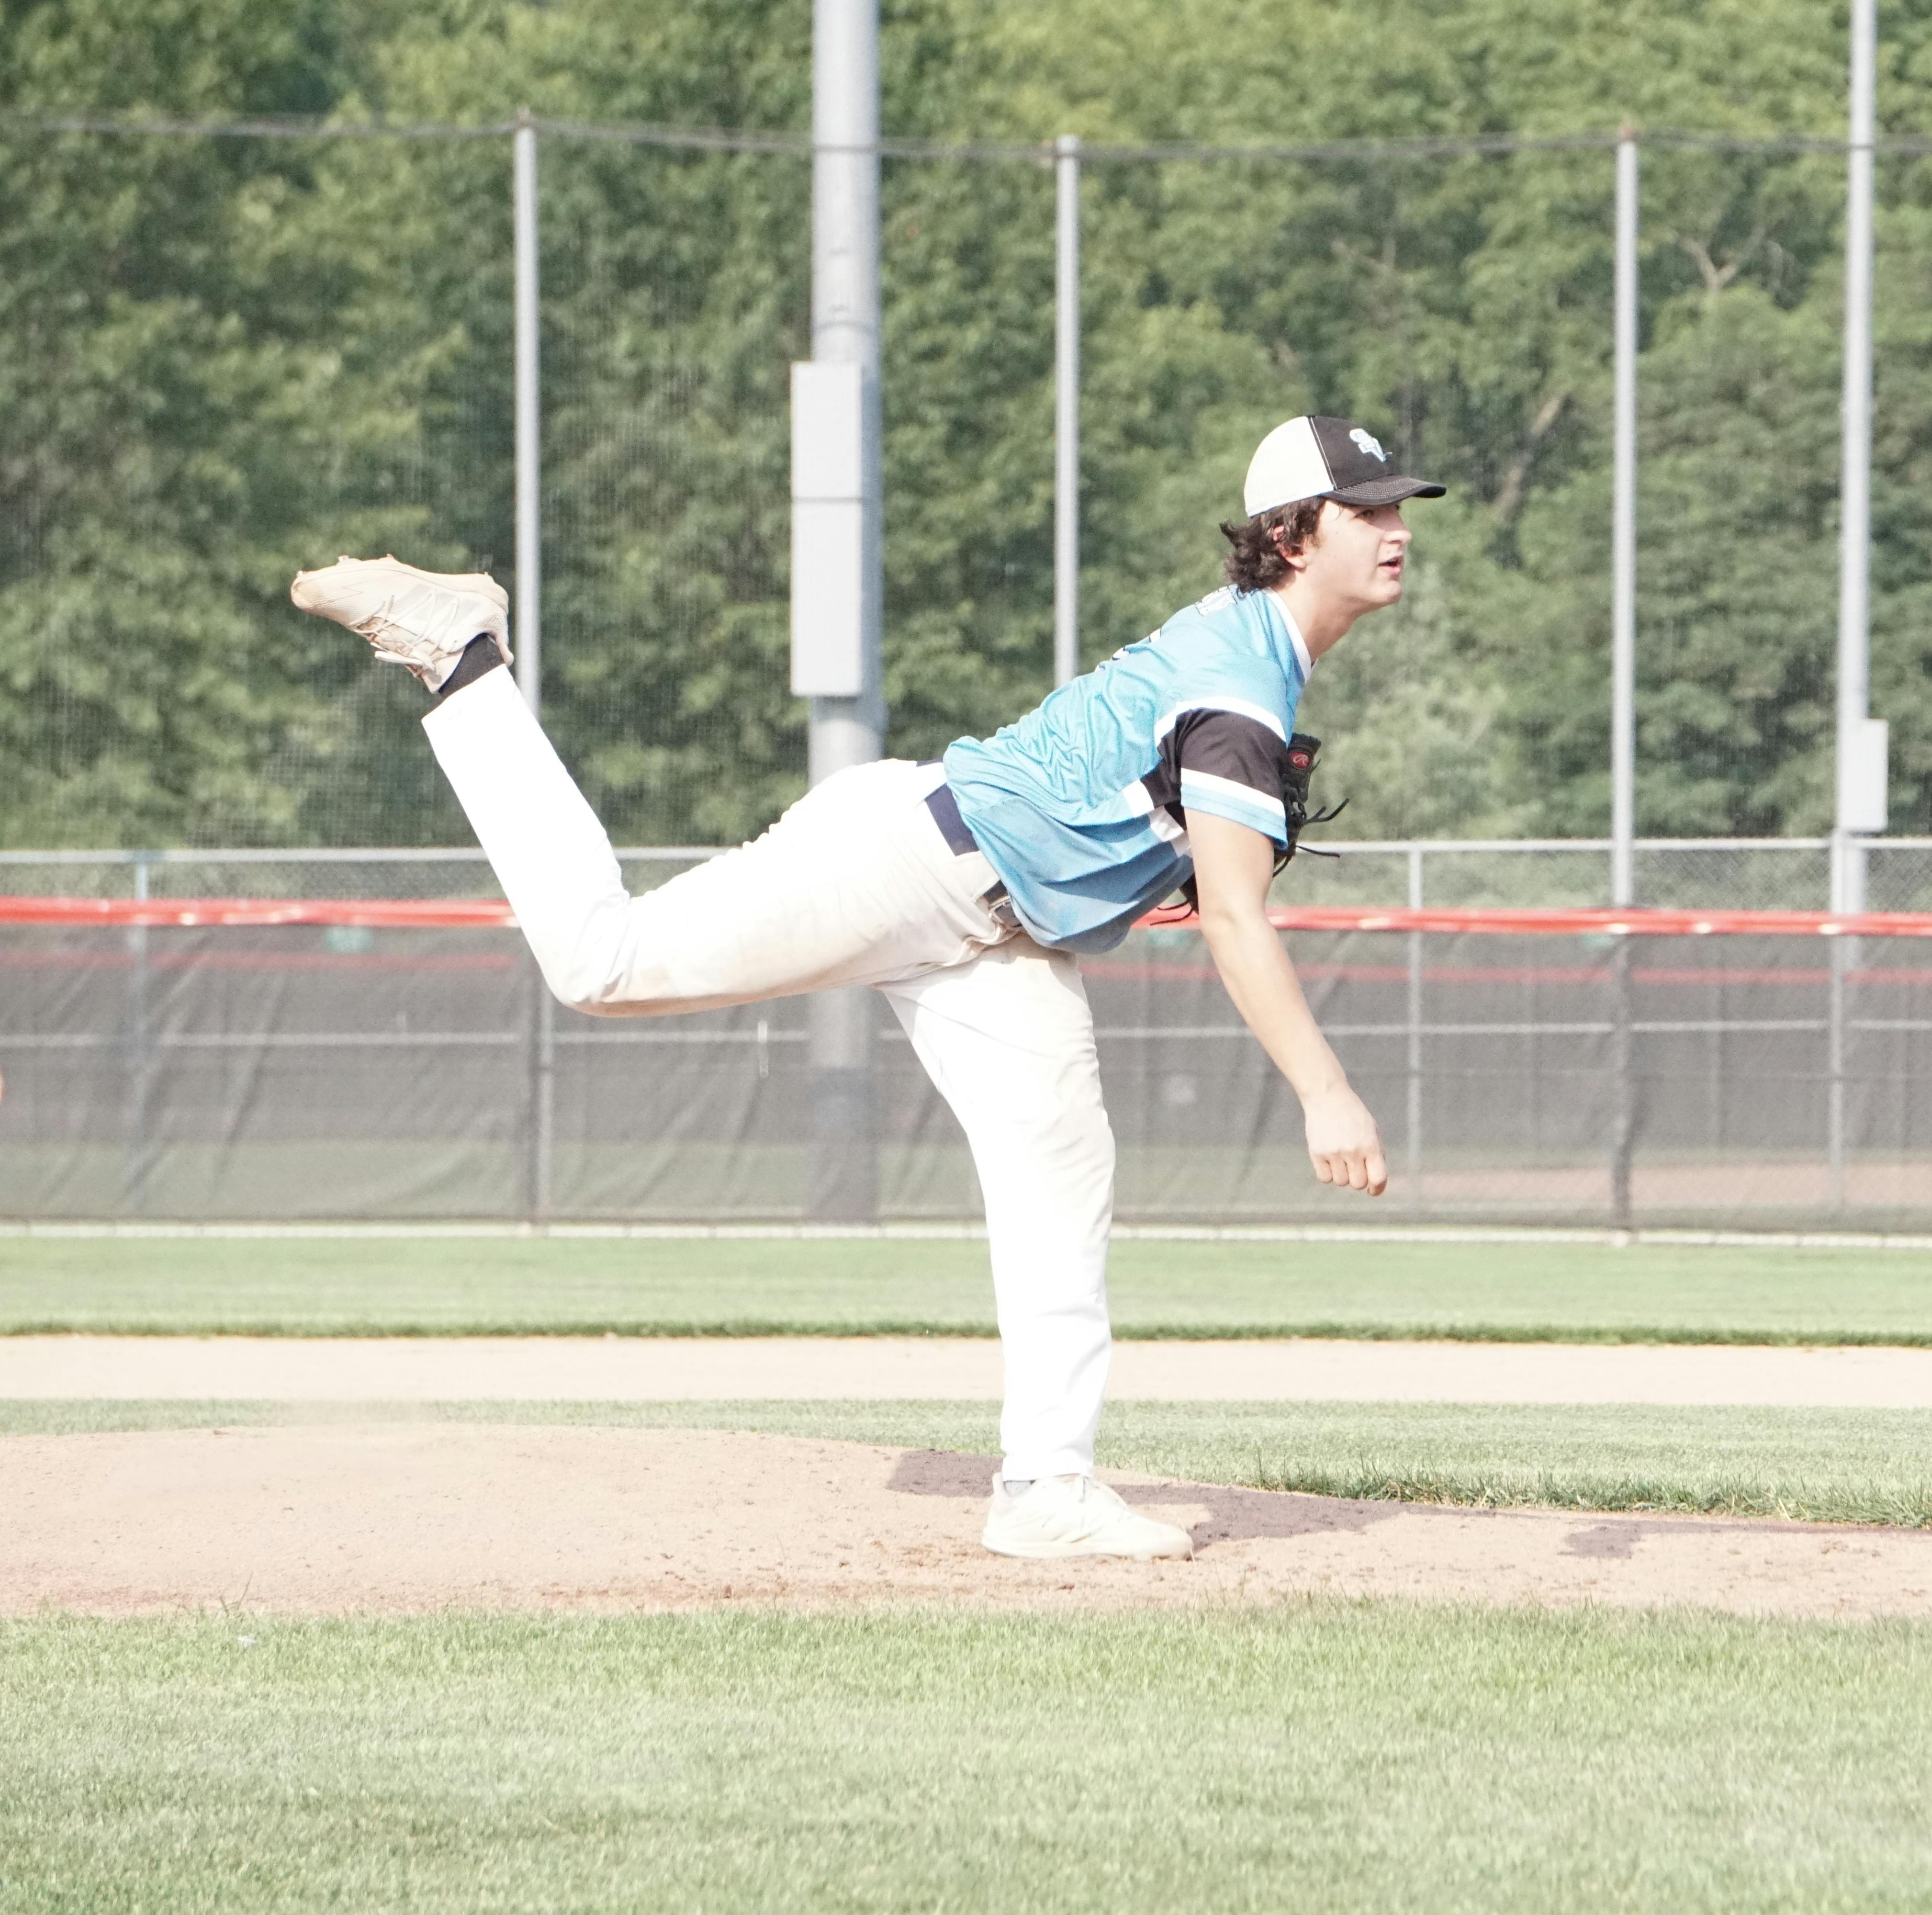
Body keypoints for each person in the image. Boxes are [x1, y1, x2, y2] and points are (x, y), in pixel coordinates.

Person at [290, 415, 1443, 1562]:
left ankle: (1047, 1485)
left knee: (1062, 1177)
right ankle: (462, 660)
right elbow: (1237, 916)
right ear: (1295, 535)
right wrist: (1325, 1089)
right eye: (1369, 509)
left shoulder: (1253, 644)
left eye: (1398, 506)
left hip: (1001, 933)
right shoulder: (1242, 688)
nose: (1397, 530)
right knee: (603, 962)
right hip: (909, 863)